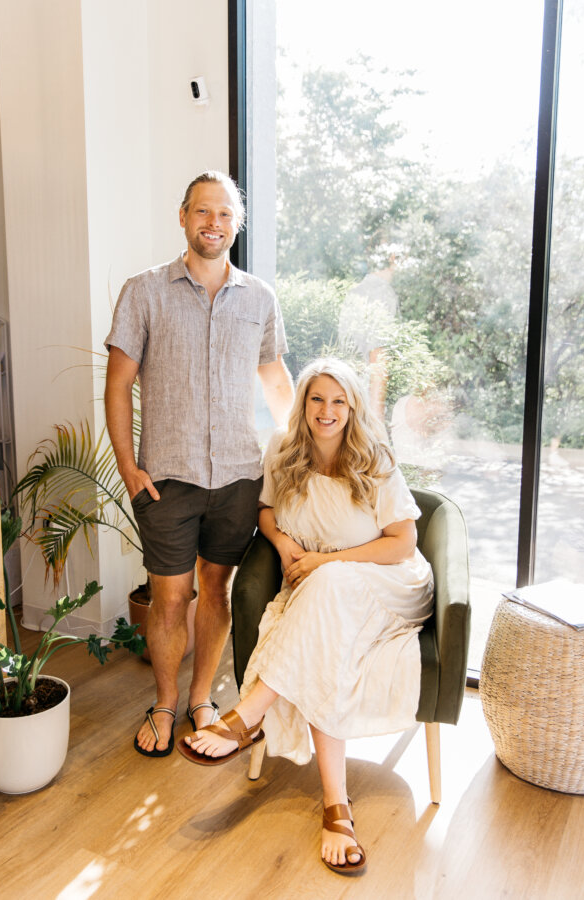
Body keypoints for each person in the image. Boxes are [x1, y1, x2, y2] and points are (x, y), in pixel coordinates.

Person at [178, 358, 434, 875]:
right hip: (324, 590)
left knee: (328, 584)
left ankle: (248, 715)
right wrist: (282, 541)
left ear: (353, 407)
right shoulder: (283, 449)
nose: (327, 411)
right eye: (318, 398)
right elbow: (265, 511)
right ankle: (336, 806)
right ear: (303, 403)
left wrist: (326, 562)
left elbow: (403, 543)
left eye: (339, 401)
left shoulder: (373, 457)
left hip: (391, 583)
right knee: (324, 627)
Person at [104, 171, 294, 757]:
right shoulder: (144, 291)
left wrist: (290, 456)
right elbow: (117, 388)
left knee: (215, 590)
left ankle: (201, 698)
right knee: (169, 599)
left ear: (237, 225)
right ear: (183, 217)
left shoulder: (259, 298)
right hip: (168, 480)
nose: (214, 223)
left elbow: (276, 384)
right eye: (203, 212)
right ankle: (164, 702)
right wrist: (130, 468)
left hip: (239, 477)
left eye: (225, 215)